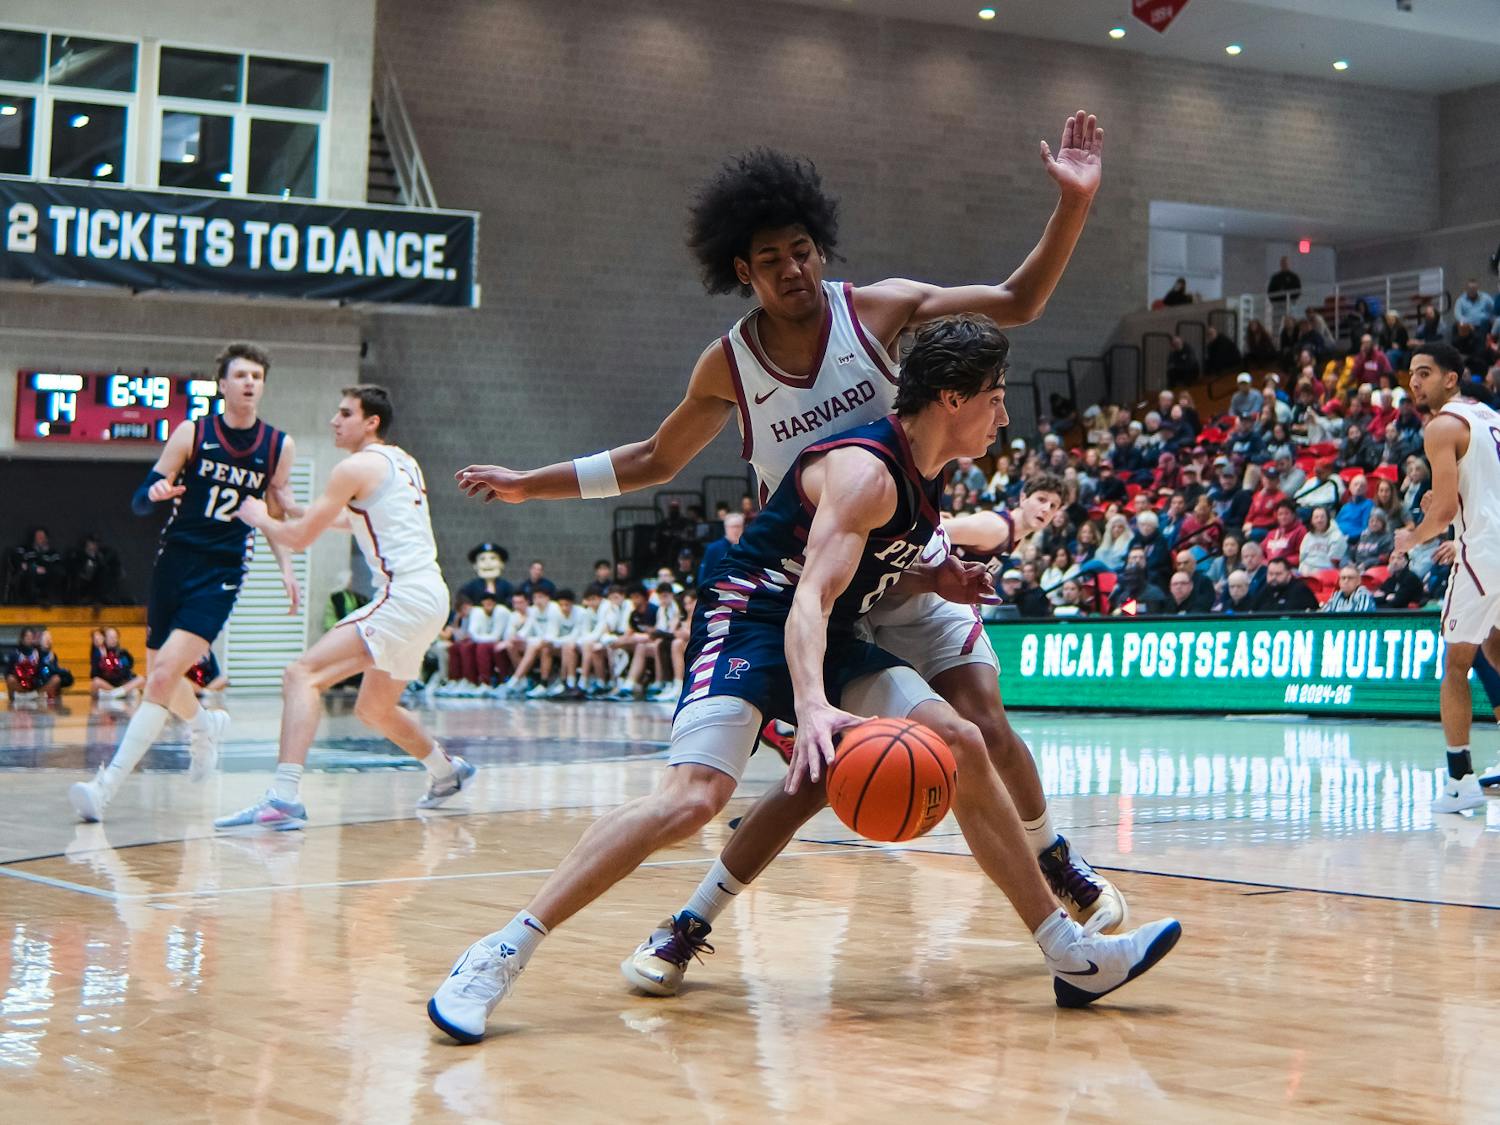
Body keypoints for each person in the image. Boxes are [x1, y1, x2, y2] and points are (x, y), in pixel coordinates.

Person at [454, 120, 1127, 938]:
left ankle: (1053, 855)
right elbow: (653, 459)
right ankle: (691, 921)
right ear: (743, 271)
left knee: (981, 716)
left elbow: (1017, 303)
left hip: (905, 553)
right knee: (812, 776)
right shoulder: (728, 365)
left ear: (821, 247)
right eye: (771, 259)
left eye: (803, 249)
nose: (793, 268)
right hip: (817, 585)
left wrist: (1073, 205)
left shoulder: (877, 311)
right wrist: (532, 486)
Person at [428, 315, 1180, 1045]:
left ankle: (1070, 954)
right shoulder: (867, 473)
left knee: (960, 739)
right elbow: (808, 601)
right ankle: (501, 949)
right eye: (996, 394)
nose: (1004, 412)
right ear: (953, 399)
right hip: (753, 615)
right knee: (695, 796)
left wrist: (933, 578)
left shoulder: (923, 476)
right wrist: (815, 706)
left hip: (827, 628)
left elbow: (860, 579)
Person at [214, 385, 468, 831]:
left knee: (300, 674)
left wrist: (262, 518)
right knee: (374, 709)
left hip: (403, 595)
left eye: (345, 413)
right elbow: (354, 519)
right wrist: (293, 508)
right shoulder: (401, 460)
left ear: (371, 422)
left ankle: (283, 798)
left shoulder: (353, 467)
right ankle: (447, 772)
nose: (334, 420)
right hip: (430, 595)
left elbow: (298, 540)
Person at [68, 342, 299, 823]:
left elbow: (275, 514)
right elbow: (140, 497)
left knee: (159, 676)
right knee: (162, 676)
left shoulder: (278, 446)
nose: (250, 383)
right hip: (174, 564)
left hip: (222, 571)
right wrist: (153, 492)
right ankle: (203, 724)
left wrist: (285, 567)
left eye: (257, 375)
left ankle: (104, 788)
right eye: (241, 375)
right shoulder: (193, 432)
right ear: (223, 383)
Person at [1392, 344, 1500, 813]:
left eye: (1425, 373)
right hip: (1492, 544)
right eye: (1412, 375)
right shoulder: (1489, 416)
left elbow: (1442, 512)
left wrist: (1410, 540)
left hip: (1484, 553)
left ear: (1450, 379)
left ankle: (1461, 782)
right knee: (1496, 648)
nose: (1415, 383)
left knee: (1456, 664)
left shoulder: (1441, 426)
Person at [90, 626, 144, 699]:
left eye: (115, 637)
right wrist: (103, 658)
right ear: (105, 638)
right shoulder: (98, 653)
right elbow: (94, 674)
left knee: (141, 679)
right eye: (111, 637)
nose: (113, 640)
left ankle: (118, 693)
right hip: (107, 685)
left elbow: (127, 671)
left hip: (121, 683)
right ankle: (119, 694)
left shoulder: (122, 653)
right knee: (95, 682)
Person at [1253, 557, 1318, 613]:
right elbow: (1252, 610)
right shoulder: (1265, 589)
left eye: (1278, 574)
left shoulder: (1300, 590)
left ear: (1289, 574)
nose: (1273, 577)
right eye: (1270, 574)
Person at [1297, 506, 1347, 575]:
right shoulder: (1308, 536)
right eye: (1316, 517)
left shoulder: (1336, 536)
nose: (1319, 520)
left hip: (1326, 572)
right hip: (1305, 570)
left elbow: (1334, 560)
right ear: (1311, 520)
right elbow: (1302, 557)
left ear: (1328, 519)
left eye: (1322, 517)